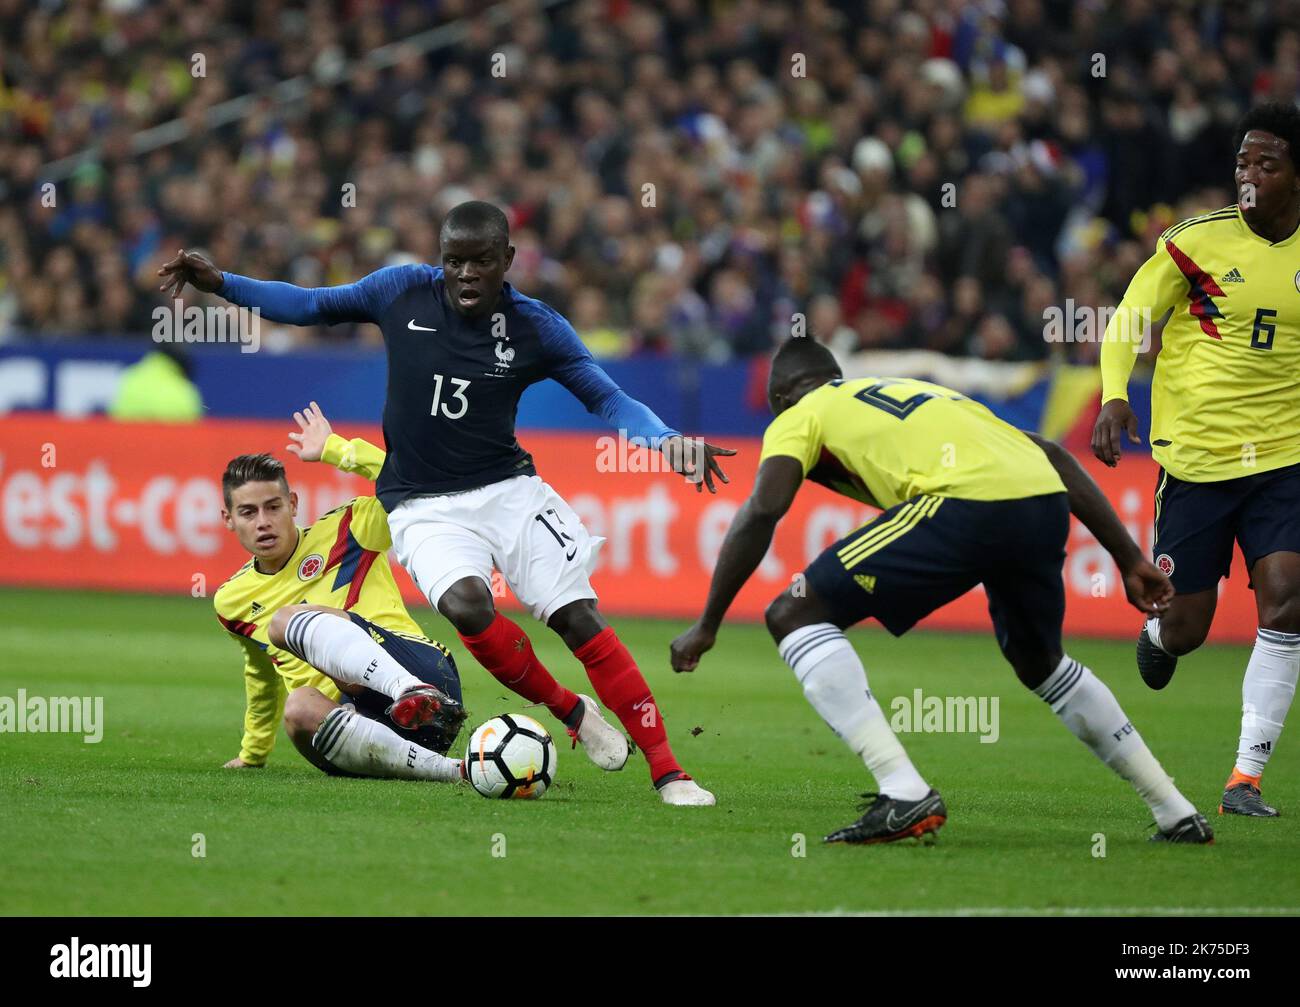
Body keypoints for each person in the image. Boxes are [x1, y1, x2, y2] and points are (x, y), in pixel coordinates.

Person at [160, 202, 733, 804]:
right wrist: (221, 283)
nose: (464, 274)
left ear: (507, 261)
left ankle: (670, 771)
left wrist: (665, 441)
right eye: (453, 261)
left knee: (577, 619)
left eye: (480, 262)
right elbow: (308, 305)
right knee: (466, 605)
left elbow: (609, 399)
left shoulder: (537, 327)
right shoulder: (400, 290)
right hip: (422, 504)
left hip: (510, 492)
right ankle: (571, 711)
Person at [670, 338, 1212, 844]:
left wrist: (709, 621)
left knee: (793, 612)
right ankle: (1173, 808)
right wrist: (1128, 556)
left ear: (783, 397)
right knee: (1041, 660)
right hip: (1041, 502)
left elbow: (763, 509)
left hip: (965, 503)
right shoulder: (921, 393)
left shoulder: (801, 414)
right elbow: (1053, 455)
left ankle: (903, 791)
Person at [1094, 102, 1300, 818]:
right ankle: (1159, 632)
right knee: (1187, 628)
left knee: (1287, 596)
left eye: (1266, 165)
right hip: (1199, 461)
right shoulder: (1193, 244)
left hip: (1285, 457)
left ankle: (1246, 777)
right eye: (1242, 163)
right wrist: (1115, 395)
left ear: (1295, 175)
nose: (1248, 177)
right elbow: (1127, 320)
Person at [215, 405, 473, 781]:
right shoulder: (232, 601)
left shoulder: (350, 529)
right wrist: (252, 753)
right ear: (228, 519)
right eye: (248, 512)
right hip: (367, 730)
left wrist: (335, 449)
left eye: (273, 507)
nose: (263, 522)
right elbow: (260, 675)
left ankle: (409, 691)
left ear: (293, 504)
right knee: (299, 707)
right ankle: (448, 771)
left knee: (286, 620)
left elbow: (410, 484)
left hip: (426, 677)